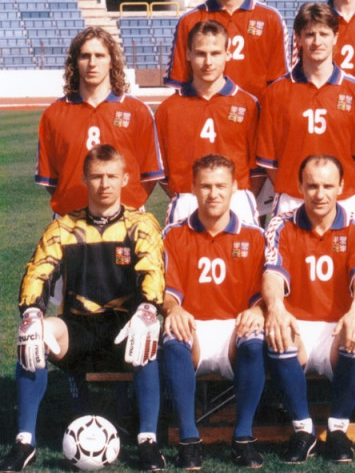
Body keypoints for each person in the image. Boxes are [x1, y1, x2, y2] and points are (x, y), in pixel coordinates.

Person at [1, 145, 166, 472]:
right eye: (97, 177)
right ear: (84, 179)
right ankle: (24, 441)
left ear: (124, 179)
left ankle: (148, 439)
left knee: (147, 332)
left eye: (112, 176)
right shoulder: (64, 228)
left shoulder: (141, 225)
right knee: (33, 333)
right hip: (77, 329)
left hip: (124, 330)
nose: (105, 184)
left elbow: (153, 272)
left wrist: (148, 310)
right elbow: (37, 273)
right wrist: (32, 313)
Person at [261, 155, 355, 464]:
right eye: (312, 186)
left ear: (341, 186)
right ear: (300, 187)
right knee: (279, 329)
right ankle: (303, 430)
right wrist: (277, 308)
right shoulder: (282, 224)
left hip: (336, 326)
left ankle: (338, 429)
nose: (320, 194)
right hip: (298, 324)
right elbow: (272, 274)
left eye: (328, 186)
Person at [159, 154, 267, 468]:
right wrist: (173, 309)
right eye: (205, 186)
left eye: (221, 186)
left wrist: (259, 310)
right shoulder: (174, 234)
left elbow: (265, 294)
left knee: (255, 340)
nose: (213, 193)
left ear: (235, 188)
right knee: (173, 337)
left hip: (234, 326)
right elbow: (167, 292)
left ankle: (243, 437)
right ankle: (189, 440)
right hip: (194, 325)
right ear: (193, 188)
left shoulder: (253, 236)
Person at [256, 2, 355, 218]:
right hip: (292, 199)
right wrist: (296, 188)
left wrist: (337, 188)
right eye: (310, 34)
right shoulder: (276, 92)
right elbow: (270, 158)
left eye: (324, 34)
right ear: (298, 38)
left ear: (335, 37)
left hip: (343, 199)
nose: (317, 41)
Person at [36, 27, 163, 217]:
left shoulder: (137, 110)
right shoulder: (53, 114)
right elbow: (52, 182)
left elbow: (149, 175)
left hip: (125, 220)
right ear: (75, 62)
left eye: (100, 56)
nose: (92, 63)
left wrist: (127, 207)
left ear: (112, 61)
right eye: (85, 56)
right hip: (71, 222)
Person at [155, 21, 262, 226]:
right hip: (187, 199)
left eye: (215, 53)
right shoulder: (169, 109)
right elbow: (161, 169)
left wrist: (237, 195)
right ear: (188, 54)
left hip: (236, 199)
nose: (208, 62)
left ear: (227, 54)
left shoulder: (247, 104)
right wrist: (185, 196)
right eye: (201, 53)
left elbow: (257, 170)